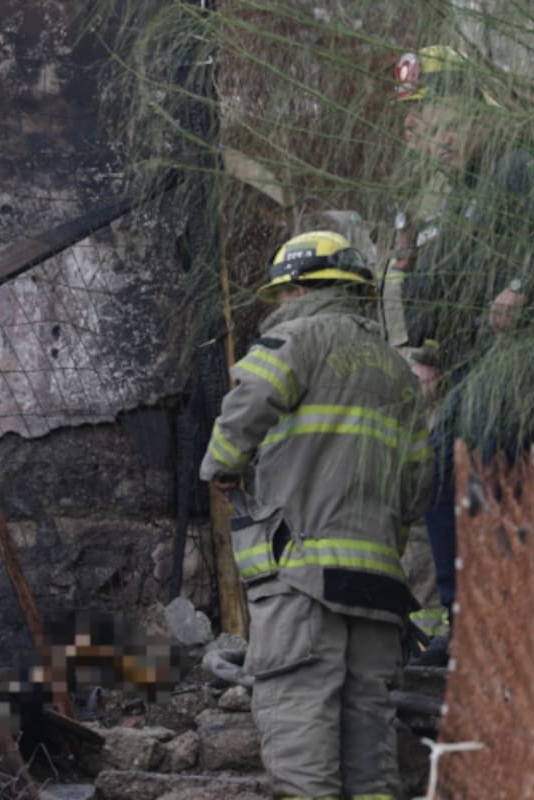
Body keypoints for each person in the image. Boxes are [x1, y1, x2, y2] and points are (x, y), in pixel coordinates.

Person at [200, 230, 432, 800]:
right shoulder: (399, 375)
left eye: (282, 294)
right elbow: (418, 485)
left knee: (300, 730)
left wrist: (222, 465)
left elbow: (251, 399)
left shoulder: (297, 338)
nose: (279, 306)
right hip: (378, 589)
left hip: (304, 578)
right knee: (370, 753)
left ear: (299, 289)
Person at [384, 45, 534, 665]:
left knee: (484, 469)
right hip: (468, 370)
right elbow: (440, 307)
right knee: (437, 471)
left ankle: (500, 619)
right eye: (427, 132)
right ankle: (465, 623)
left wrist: (524, 287)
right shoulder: (453, 199)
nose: (438, 143)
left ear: (476, 109)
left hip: (517, 368)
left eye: (447, 125)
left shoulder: (515, 168)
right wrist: (407, 266)